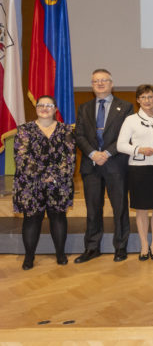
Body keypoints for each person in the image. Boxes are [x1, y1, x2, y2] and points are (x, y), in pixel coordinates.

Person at [73, 69, 134, 264]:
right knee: (92, 209)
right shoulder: (84, 108)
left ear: (111, 84)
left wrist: (106, 153)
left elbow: (126, 136)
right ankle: (92, 248)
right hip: (91, 166)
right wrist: (93, 153)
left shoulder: (125, 107)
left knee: (120, 208)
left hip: (115, 164)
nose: (100, 84)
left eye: (104, 80)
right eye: (95, 81)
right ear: (91, 85)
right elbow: (79, 135)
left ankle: (120, 247)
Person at [14, 95, 75, 270]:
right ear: (36, 108)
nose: (45, 108)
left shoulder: (66, 130)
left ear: (55, 109)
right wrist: (43, 175)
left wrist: (53, 175)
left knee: (58, 217)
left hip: (59, 183)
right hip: (30, 184)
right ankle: (29, 257)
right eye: (41, 105)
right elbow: (21, 157)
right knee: (32, 219)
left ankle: (60, 254)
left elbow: (69, 158)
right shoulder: (24, 130)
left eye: (49, 105)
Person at [116, 85, 153, 261]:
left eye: (150, 97)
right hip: (138, 168)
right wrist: (139, 149)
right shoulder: (130, 120)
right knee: (141, 208)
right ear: (138, 100)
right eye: (143, 97)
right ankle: (143, 245)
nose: (147, 100)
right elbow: (120, 145)